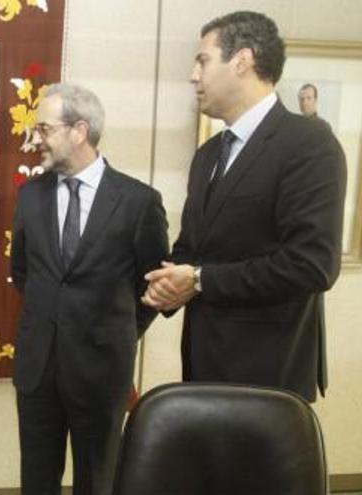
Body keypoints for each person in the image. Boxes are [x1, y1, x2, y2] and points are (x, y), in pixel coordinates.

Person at [142, 11, 346, 402]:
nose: (193, 76)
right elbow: (194, 249)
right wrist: (164, 286)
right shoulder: (208, 154)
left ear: (242, 61)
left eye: (202, 61)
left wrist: (198, 280)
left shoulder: (308, 143)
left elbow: (312, 264)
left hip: (269, 377)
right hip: (203, 369)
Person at [10, 83, 169, 495]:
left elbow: (153, 288)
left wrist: (115, 332)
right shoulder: (30, 196)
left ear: (79, 131)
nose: (35, 139)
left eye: (44, 129)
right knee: (36, 481)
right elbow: (23, 273)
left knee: (98, 481)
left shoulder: (138, 202)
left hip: (102, 370)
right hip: (38, 369)